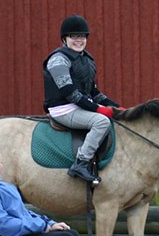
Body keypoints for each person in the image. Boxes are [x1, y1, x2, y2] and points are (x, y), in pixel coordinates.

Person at [43, 14, 123, 183]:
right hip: (63, 109)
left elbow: (93, 91)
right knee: (101, 122)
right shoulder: (58, 60)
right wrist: (99, 110)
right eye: (74, 36)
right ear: (65, 39)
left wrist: (116, 107)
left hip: (78, 106)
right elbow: (70, 93)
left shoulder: (85, 58)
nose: (79, 40)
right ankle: (81, 163)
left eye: (82, 36)